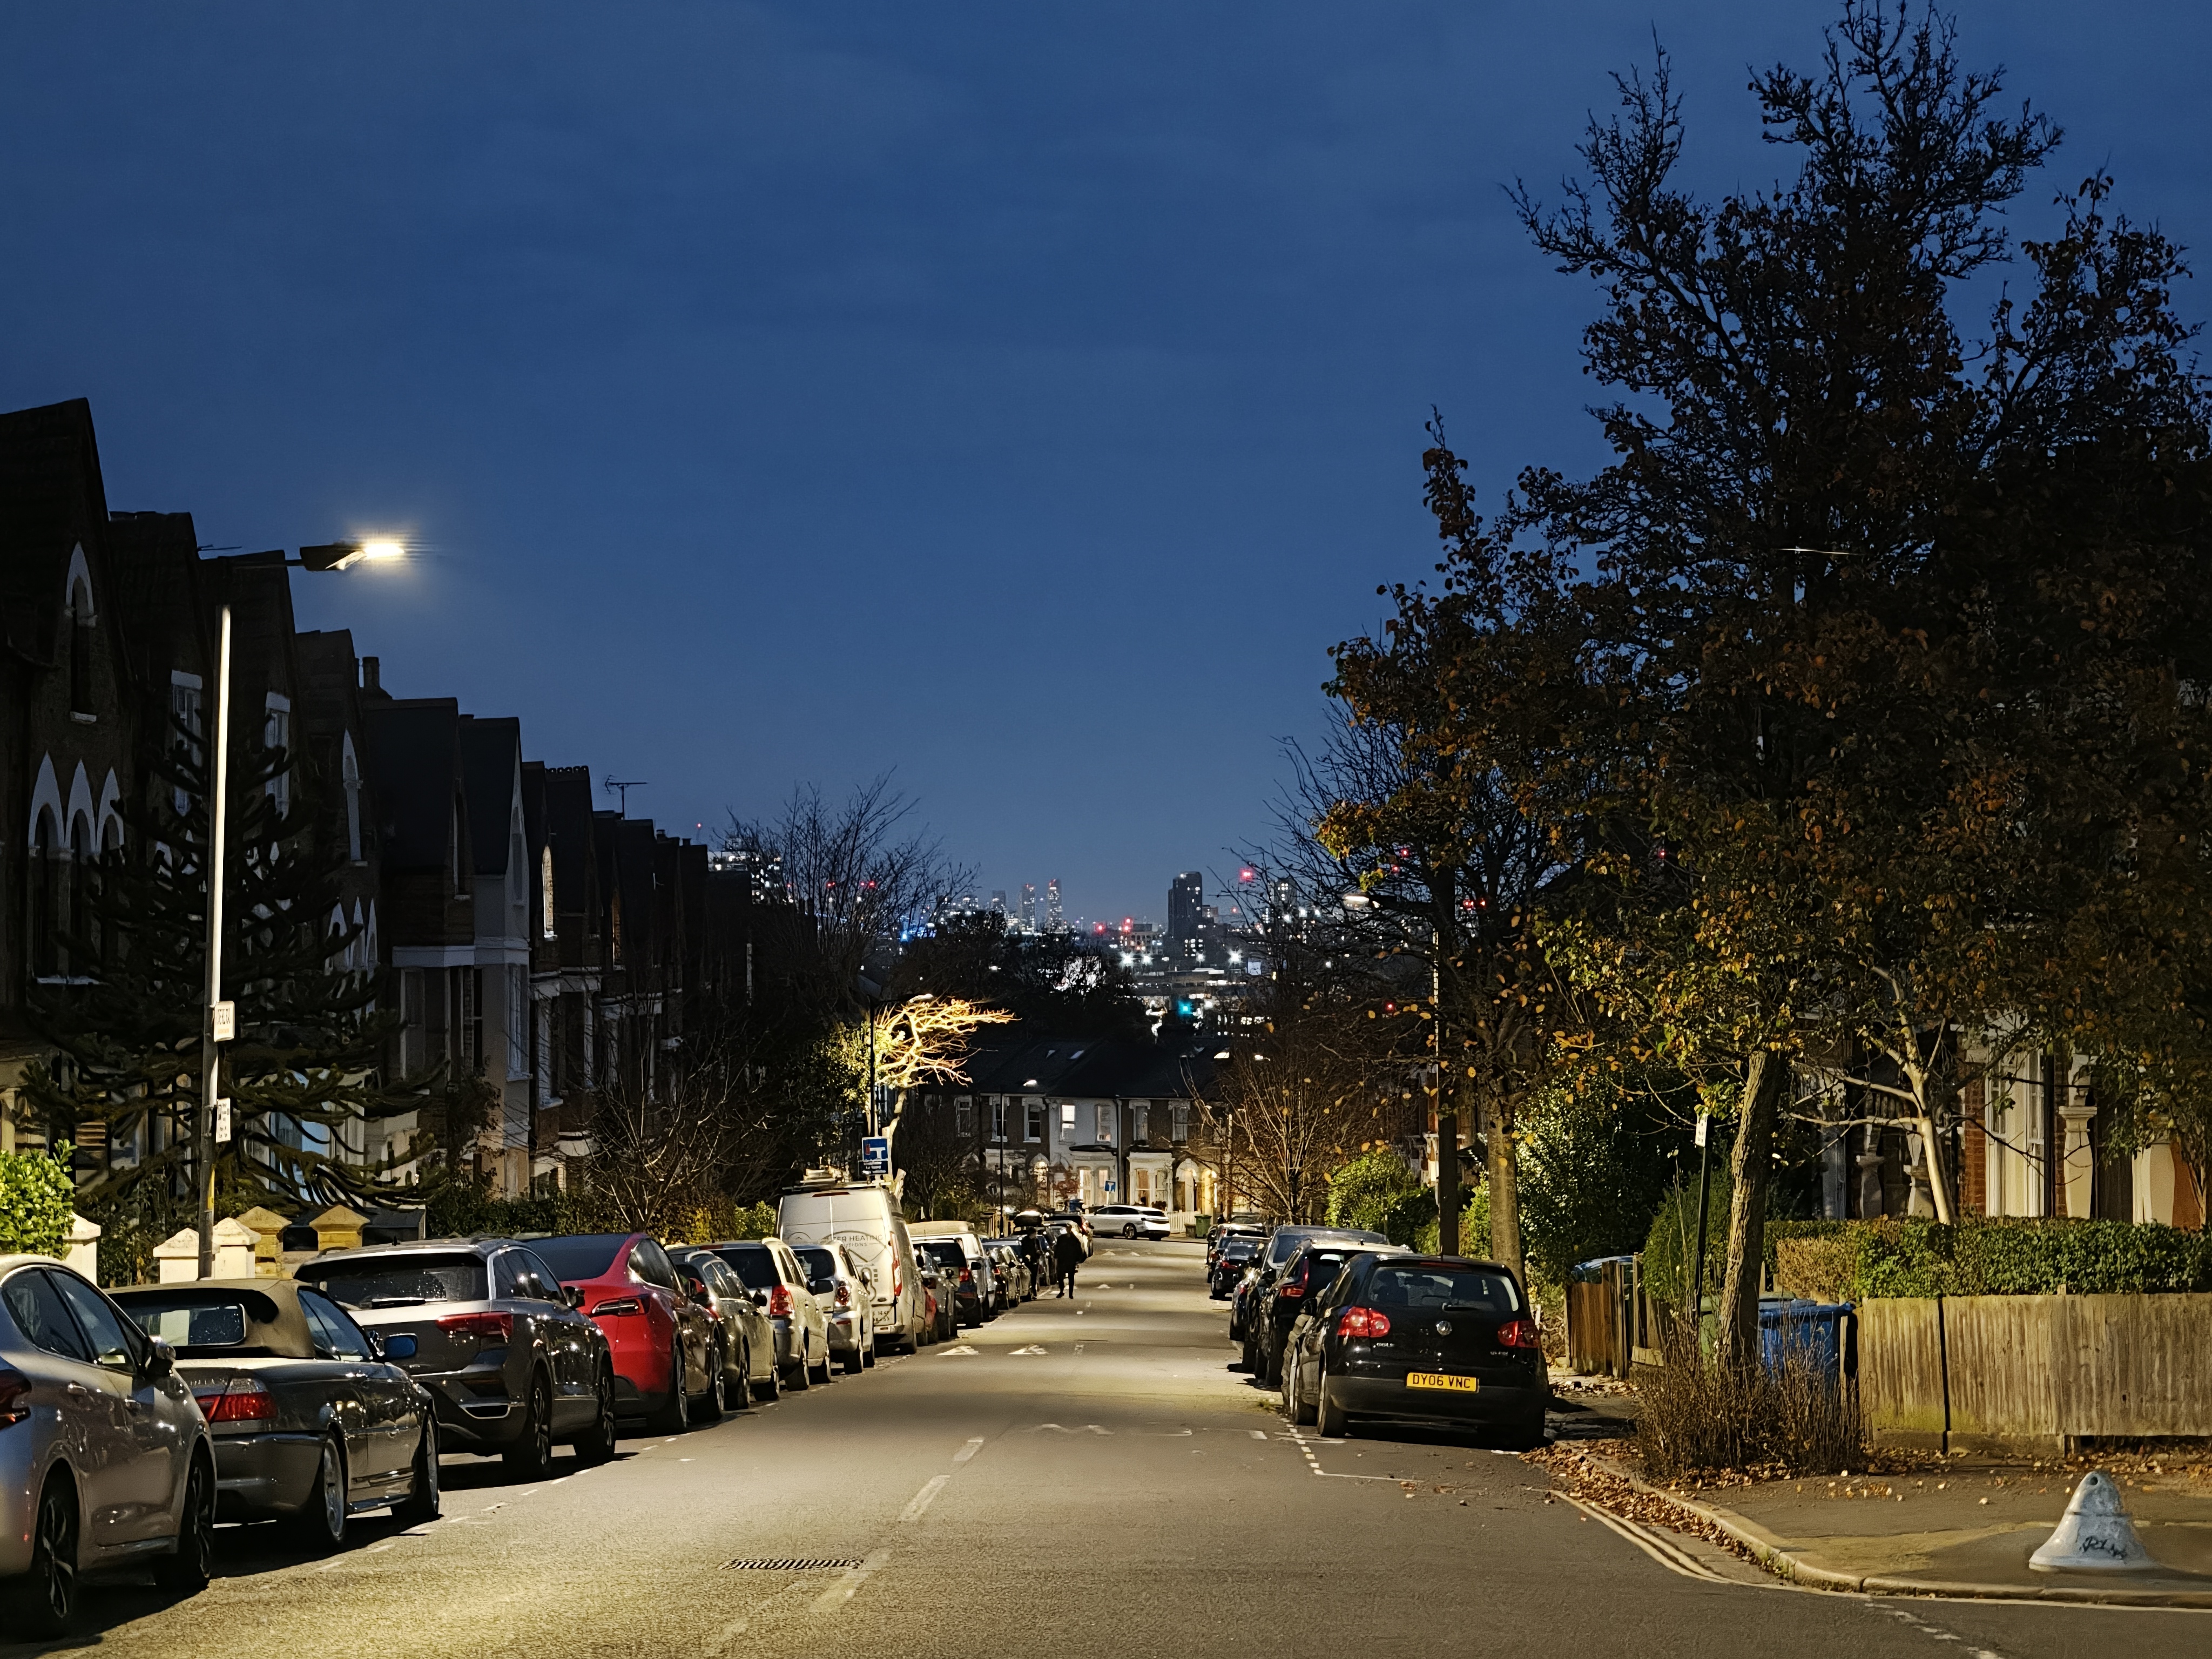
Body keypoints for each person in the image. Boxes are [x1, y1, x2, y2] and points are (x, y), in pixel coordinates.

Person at [1052, 1223, 1084, 1298]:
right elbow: (1057, 1248)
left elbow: (1079, 1249)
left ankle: (1071, 1294)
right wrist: (1056, 1256)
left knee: (1071, 1278)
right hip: (1062, 1260)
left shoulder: (1074, 1239)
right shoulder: (1061, 1238)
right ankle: (1061, 1291)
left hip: (1071, 1261)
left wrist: (1078, 1260)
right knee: (1060, 1277)